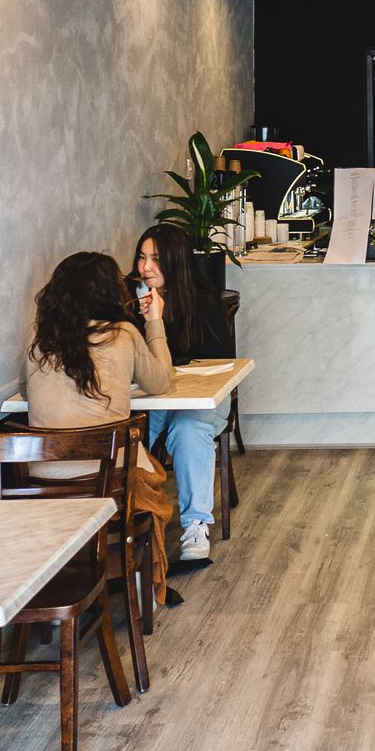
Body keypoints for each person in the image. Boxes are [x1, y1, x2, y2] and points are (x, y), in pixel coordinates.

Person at [24, 251, 174, 602]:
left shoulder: (38, 339)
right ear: (110, 292)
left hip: (44, 486)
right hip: (109, 485)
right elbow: (161, 381)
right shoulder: (122, 334)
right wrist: (154, 321)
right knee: (151, 473)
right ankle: (142, 578)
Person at [133, 223, 235, 565]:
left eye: (156, 259)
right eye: (142, 258)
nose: (146, 267)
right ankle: (134, 518)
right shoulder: (133, 305)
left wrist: (159, 322)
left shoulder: (203, 303)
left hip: (205, 400)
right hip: (158, 398)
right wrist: (148, 319)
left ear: (175, 262)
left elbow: (221, 360)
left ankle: (195, 525)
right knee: (131, 432)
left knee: (188, 430)